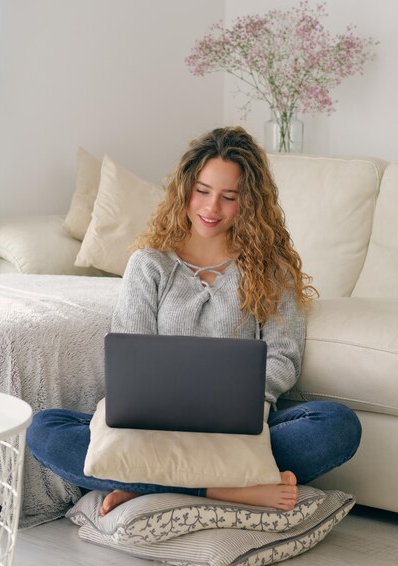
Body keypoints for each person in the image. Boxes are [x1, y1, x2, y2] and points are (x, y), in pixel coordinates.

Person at [27, 127, 362, 517]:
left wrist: (237, 399)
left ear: (249, 202)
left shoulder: (272, 271)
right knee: (45, 428)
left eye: (229, 197)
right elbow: (131, 358)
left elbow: (284, 357)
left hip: (241, 428)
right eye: (202, 191)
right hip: (156, 431)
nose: (211, 208)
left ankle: (147, 486)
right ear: (185, 188)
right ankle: (223, 488)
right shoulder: (149, 264)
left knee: (337, 424)